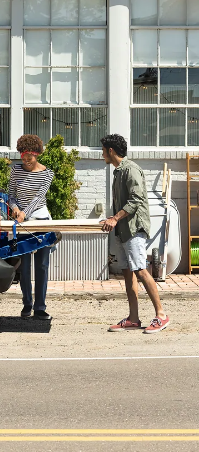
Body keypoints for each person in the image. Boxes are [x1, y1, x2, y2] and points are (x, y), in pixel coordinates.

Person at [101, 134, 169, 334]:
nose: (102, 153)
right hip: (123, 229)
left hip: (134, 228)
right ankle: (133, 318)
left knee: (140, 270)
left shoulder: (130, 169)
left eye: (103, 150)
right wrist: (113, 219)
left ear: (111, 151)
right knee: (127, 272)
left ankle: (162, 315)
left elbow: (136, 199)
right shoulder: (118, 172)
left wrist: (114, 218)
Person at [8, 134, 55, 320]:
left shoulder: (47, 174)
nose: (26, 161)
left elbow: (38, 199)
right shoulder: (15, 171)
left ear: (37, 155)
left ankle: (40, 307)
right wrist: (15, 208)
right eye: (23, 157)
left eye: (30, 157)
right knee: (25, 265)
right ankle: (27, 305)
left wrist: (24, 212)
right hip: (22, 222)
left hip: (40, 219)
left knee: (42, 265)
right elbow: (11, 195)